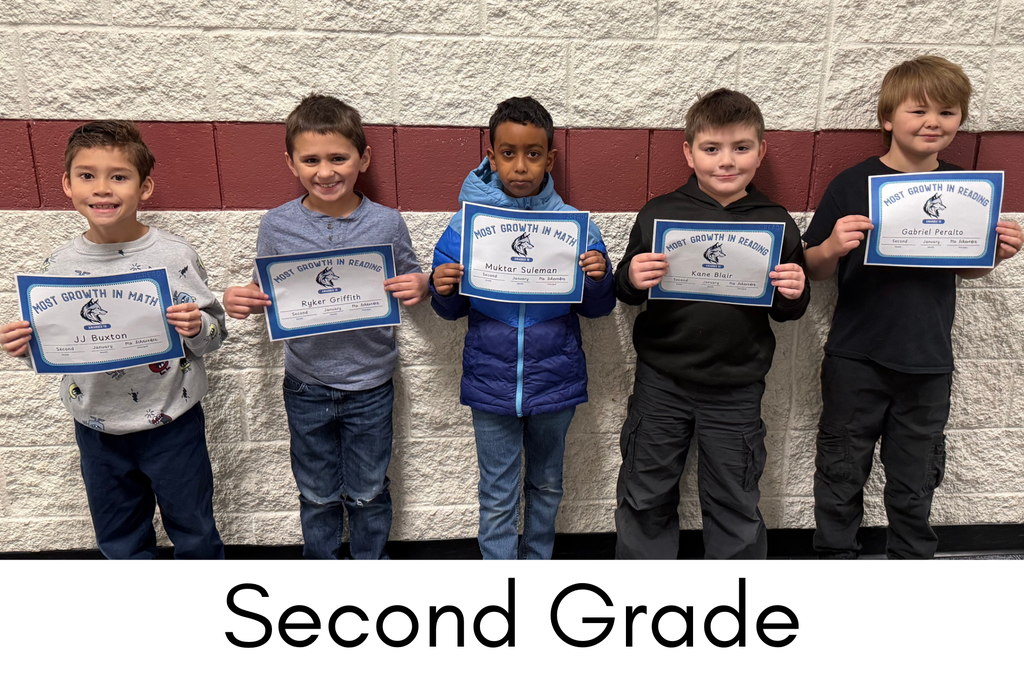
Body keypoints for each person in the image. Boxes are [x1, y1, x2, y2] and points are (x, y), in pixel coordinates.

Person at [803, 55, 1023, 559]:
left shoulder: (965, 189)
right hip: (855, 355)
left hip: (927, 361)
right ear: (887, 119)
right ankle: (833, 560)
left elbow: (966, 269)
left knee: (916, 476)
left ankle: (911, 568)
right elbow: (813, 268)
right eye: (918, 111)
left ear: (960, 121)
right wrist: (834, 245)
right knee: (840, 470)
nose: (933, 122)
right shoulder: (851, 184)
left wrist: (995, 256)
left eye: (947, 113)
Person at [0, 121, 226, 559]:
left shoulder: (175, 256)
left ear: (145, 188)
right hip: (96, 425)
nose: (102, 188)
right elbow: (56, 349)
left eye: (118, 176)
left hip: (172, 420)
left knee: (194, 527)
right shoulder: (57, 266)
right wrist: (26, 348)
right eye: (87, 175)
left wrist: (198, 327)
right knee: (118, 535)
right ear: (67, 184)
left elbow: (216, 333)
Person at [223, 94, 428, 560]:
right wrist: (242, 301)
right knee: (315, 493)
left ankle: (369, 567)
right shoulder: (276, 225)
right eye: (311, 160)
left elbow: (414, 280)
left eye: (338, 157)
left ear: (363, 159)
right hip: (306, 384)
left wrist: (423, 284)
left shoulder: (387, 222)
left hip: (372, 383)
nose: (326, 171)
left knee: (369, 490)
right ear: (291, 164)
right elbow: (267, 293)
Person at [614, 88, 809, 559]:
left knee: (735, 498)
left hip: (737, 387)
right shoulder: (660, 213)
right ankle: (640, 603)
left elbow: (788, 311)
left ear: (761, 152)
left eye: (741, 148)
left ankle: (735, 608)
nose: (727, 161)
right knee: (646, 493)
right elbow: (624, 290)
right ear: (689, 152)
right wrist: (633, 277)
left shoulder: (776, 223)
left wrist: (795, 290)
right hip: (662, 381)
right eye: (712, 148)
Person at [429, 96, 616, 559]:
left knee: (548, 485)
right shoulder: (463, 227)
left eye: (533, 154)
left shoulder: (575, 226)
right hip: (490, 383)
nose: (520, 166)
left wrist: (598, 277)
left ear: (549, 159)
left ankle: (538, 565)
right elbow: (449, 313)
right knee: (496, 491)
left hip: (555, 381)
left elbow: (599, 309)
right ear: (491, 156)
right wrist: (444, 287)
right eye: (508, 153)